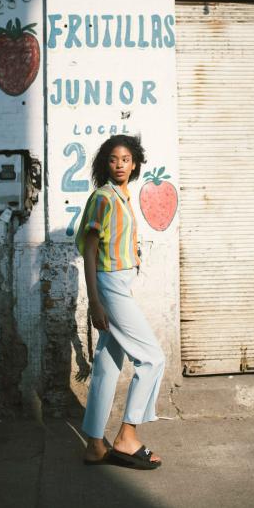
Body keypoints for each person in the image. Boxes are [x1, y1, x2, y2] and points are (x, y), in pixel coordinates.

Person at [75, 134, 165, 470]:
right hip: (110, 284)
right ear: (105, 163)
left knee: (108, 364)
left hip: (120, 283)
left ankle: (95, 445)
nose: (119, 165)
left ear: (136, 163)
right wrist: (95, 302)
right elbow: (89, 250)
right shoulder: (102, 198)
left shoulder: (123, 196)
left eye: (125, 159)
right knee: (152, 358)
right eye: (113, 159)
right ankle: (127, 437)